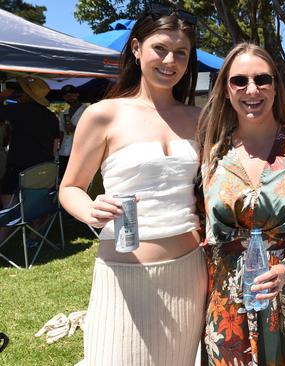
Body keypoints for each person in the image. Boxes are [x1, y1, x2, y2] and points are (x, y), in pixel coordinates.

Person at [58, 5, 206, 365]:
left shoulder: (199, 118)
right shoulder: (103, 114)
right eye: (160, 49)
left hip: (190, 273)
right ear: (137, 48)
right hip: (125, 276)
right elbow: (70, 188)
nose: (170, 60)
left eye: (181, 53)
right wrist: (89, 209)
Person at [196, 43, 285, 365]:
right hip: (229, 302)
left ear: (276, 86)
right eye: (239, 81)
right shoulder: (211, 154)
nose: (252, 89)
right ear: (225, 90)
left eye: (262, 79)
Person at [0, 77, 59, 207]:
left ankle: (9, 226)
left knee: (9, 207)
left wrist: (2, 97)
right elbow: (55, 145)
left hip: (18, 168)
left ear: (27, 94)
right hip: (44, 169)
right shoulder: (52, 117)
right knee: (36, 205)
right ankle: (35, 226)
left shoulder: (18, 109)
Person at [57, 84, 89, 181]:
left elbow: (92, 133)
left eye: (71, 94)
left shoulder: (87, 110)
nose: (69, 97)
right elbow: (62, 132)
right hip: (64, 151)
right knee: (63, 178)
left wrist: (75, 129)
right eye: (66, 95)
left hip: (79, 151)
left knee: (77, 179)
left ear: (77, 94)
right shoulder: (64, 113)